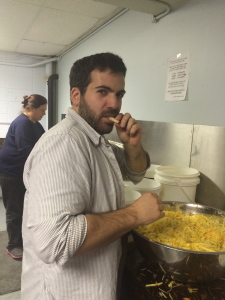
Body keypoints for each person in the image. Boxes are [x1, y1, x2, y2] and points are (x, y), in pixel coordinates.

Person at [21, 53, 164, 300]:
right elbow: (54, 241)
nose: (114, 104)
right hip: (62, 292)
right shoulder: (64, 144)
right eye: (102, 92)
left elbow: (135, 172)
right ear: (76, 96)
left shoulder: (97, 140)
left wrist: (132, 146)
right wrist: (135, 214)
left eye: (119, 94)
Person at [0, 94, 47, 259]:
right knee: (14, 210)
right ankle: (14, 245)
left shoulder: (35, 124)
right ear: (32, 109)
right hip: (11, 172)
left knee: (25, 207)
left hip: (23, 173)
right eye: (42, 110)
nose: (44, 113)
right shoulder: (22, 123)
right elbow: (26, 150)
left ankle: (24, 240)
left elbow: (45, 142)